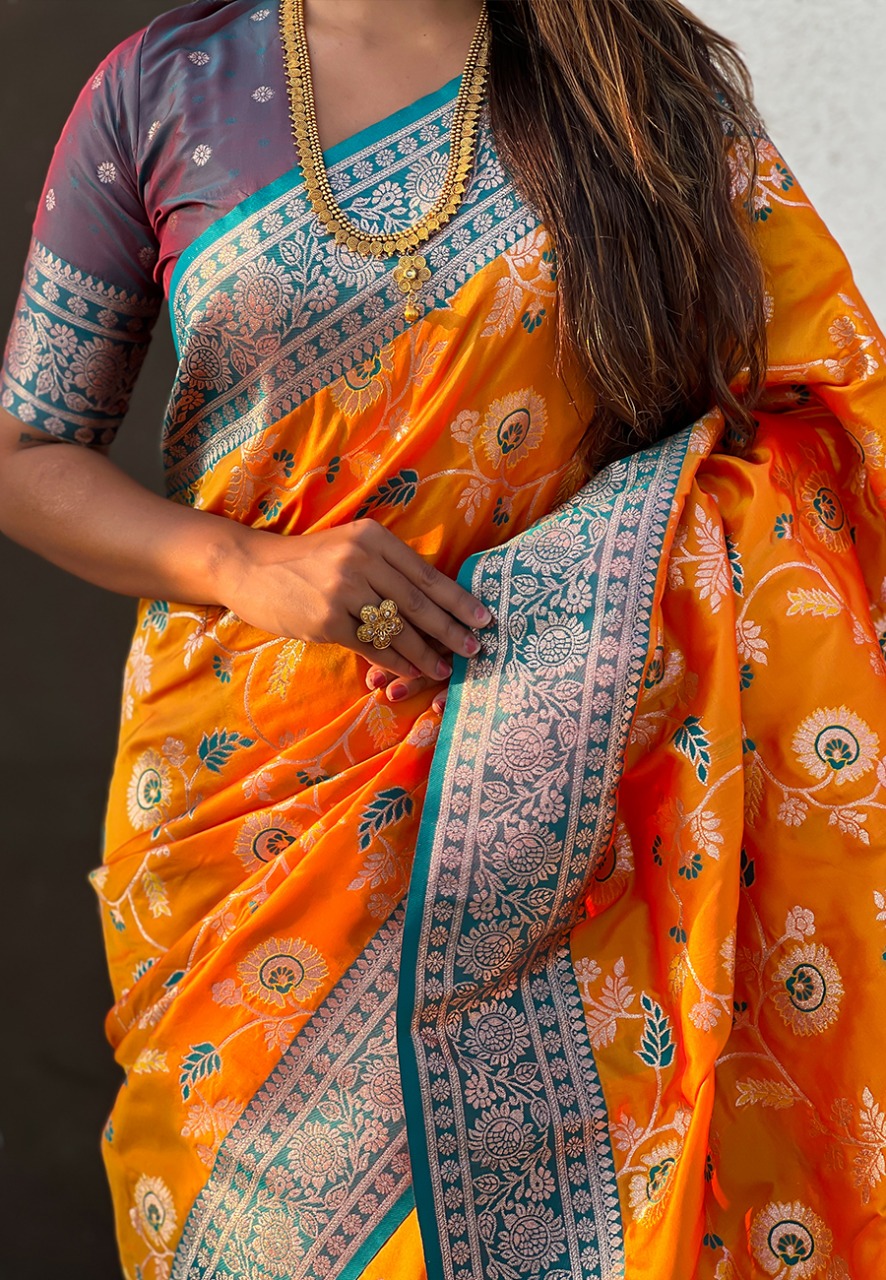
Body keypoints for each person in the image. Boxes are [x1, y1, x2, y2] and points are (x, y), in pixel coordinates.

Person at [1, 0, 884, 1275]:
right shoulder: (166, 90)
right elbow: (32, 455)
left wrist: (594, 601)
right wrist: (244, 563)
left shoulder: (634, 72)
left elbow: (811, 408)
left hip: (570, 790)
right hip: (245, 813)